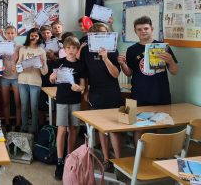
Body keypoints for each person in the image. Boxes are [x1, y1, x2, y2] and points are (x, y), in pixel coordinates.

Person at [118, 16, 179, 143]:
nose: (143, 31)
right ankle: (139, 159)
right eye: (139, 29)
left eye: (146, 28)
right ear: (135, 31)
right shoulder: (132, 50)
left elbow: (174, 71)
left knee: (160, 128)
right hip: (139, 94)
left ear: (152, 29)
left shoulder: (163, 47)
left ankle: (158, 157)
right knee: (138, 128)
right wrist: (122, 64)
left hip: (160, 93)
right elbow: (129, 73)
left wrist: (171, 61)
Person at [80, 22, 123, 169]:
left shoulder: (112, 50)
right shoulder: (86, 51)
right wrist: (85, 90)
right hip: (95, 93)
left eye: (105, 33)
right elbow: (84, 73)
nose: (103, 36)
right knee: (100, 128)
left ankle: (118, 161)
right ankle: (106, 159)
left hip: (112, 92)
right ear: (92, 36)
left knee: (113, 129)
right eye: (98, 34)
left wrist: (105, 59)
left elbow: (116, 74)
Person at [49, 36, 85, 180]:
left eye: (74, 48)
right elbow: (53, 79)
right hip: (62, 100)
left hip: (75, 100)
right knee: (62, 129)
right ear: (64, 49)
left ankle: (70, 157)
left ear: (77, 50)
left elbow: (83, 86)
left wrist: (79, 88)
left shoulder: (81, 65)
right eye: (68, 48)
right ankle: (59, 160)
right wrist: (52, 77)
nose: (71, 50)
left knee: (74, 129)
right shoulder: (59, 62)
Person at [17, 28, 48, 134]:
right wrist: (22, 65)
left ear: (39, 37)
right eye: (32, 35)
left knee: (34, 107)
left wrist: (43, 64)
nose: (34, 37)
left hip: (35, 82)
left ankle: (34, 129)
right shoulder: (23, 49)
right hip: (22, 81)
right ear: (28, 36)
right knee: (24, 105)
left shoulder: (41, 51)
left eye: (36, 36)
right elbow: (18, 66)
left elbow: (44, 72)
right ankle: (24, 127)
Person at [0, 25, 22, 132]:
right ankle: (7, 123)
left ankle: (18, 123)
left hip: (16, 77)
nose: (10, 35)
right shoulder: (1, 45)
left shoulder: (19, 46)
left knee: (18, 102)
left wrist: (18, 56)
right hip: (4, 76)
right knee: (5, 102)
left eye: (12, 33)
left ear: (16, 34)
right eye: (8, 33)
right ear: (5, 34)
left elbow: (23, 60)